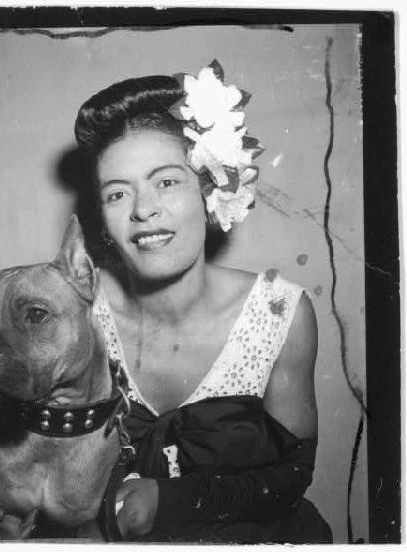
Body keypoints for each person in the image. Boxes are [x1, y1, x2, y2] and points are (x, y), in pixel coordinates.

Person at [73, 62, 332, 543]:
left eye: (166, 182)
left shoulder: (280, 314)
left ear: (210, 190)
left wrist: (174, 500)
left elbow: (293, 476)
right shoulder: (80, 313)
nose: (143, 209)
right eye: (117, 193)